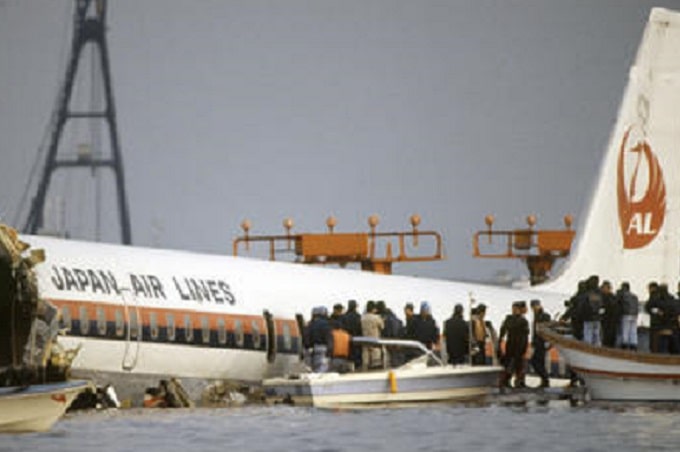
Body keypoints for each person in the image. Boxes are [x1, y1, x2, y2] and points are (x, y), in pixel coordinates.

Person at [498, 301, 529, 388]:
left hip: (519, 345)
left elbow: (525, 336)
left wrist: (525, 347)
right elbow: (503, 330)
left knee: (518, 364)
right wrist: (500, 341)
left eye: (516, 309)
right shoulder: (512, 319)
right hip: (511, 345)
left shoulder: (522, 320)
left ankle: (518, 381)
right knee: (510, 363)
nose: (514, 310)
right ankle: (507, 380)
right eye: (513, 309)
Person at [529, 299, 551, 388]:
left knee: (535, 361)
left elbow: (546, 329)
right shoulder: (536, 316)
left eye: (534, 306)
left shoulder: (544, 316)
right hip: (538, 342)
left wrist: (548, 342)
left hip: (542, 342)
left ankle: (545, 378)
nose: (533, 309)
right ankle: (544, 380)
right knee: (539, 362)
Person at [306, 306, 333, 372]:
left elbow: (307, 338)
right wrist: (329, 351)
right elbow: (329, 338)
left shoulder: (310, 324)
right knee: (322, 370)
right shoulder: (326, 324)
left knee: (314, 369)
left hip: (313, 349)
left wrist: (309, 347)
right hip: (323, 349)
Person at [361, 301, 384, 370]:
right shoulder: (376, 318)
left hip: (365, 342)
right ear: (373, 309)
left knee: (366, 364)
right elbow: (382, 327)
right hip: (375, 342)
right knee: (376, 365)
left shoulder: (362, 318)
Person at [580, 275, 603, 346]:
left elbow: (582, 305)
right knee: (596, 336)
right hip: (597, 318)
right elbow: (602, 305)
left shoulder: (587, 293)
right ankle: (598, 350)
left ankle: (587, 350)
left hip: (588, 318)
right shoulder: (599, 293)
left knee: (588, 337)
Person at [616, 282, 639, 350]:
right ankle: (634, 344)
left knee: (625, 330)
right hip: (634, 315)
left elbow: (618, 303)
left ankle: (624, 344)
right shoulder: (634, 296)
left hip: (626, 314)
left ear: (624, 288)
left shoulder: (623, 295)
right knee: (633, 331)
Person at [342, 299, 362, 368]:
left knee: (349, 356)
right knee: (357, 355)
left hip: (347, 338)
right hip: (357, 338)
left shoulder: (344, 316)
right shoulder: (358, 316)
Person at [600, 280, 621, 348]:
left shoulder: (605, 297)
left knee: (607, 336)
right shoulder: (613, 297)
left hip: (607, 319)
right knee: (610, 336)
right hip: (612, 319)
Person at [645, 282, 661, 352]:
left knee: (654, 339)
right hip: (662, 321)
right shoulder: (660, 295)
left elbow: (648, 307)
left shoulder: (653, 296)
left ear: (652, 288)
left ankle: (654, 352)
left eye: (649, 288)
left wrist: (653, 311)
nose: (648, 290)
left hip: (655, 322)